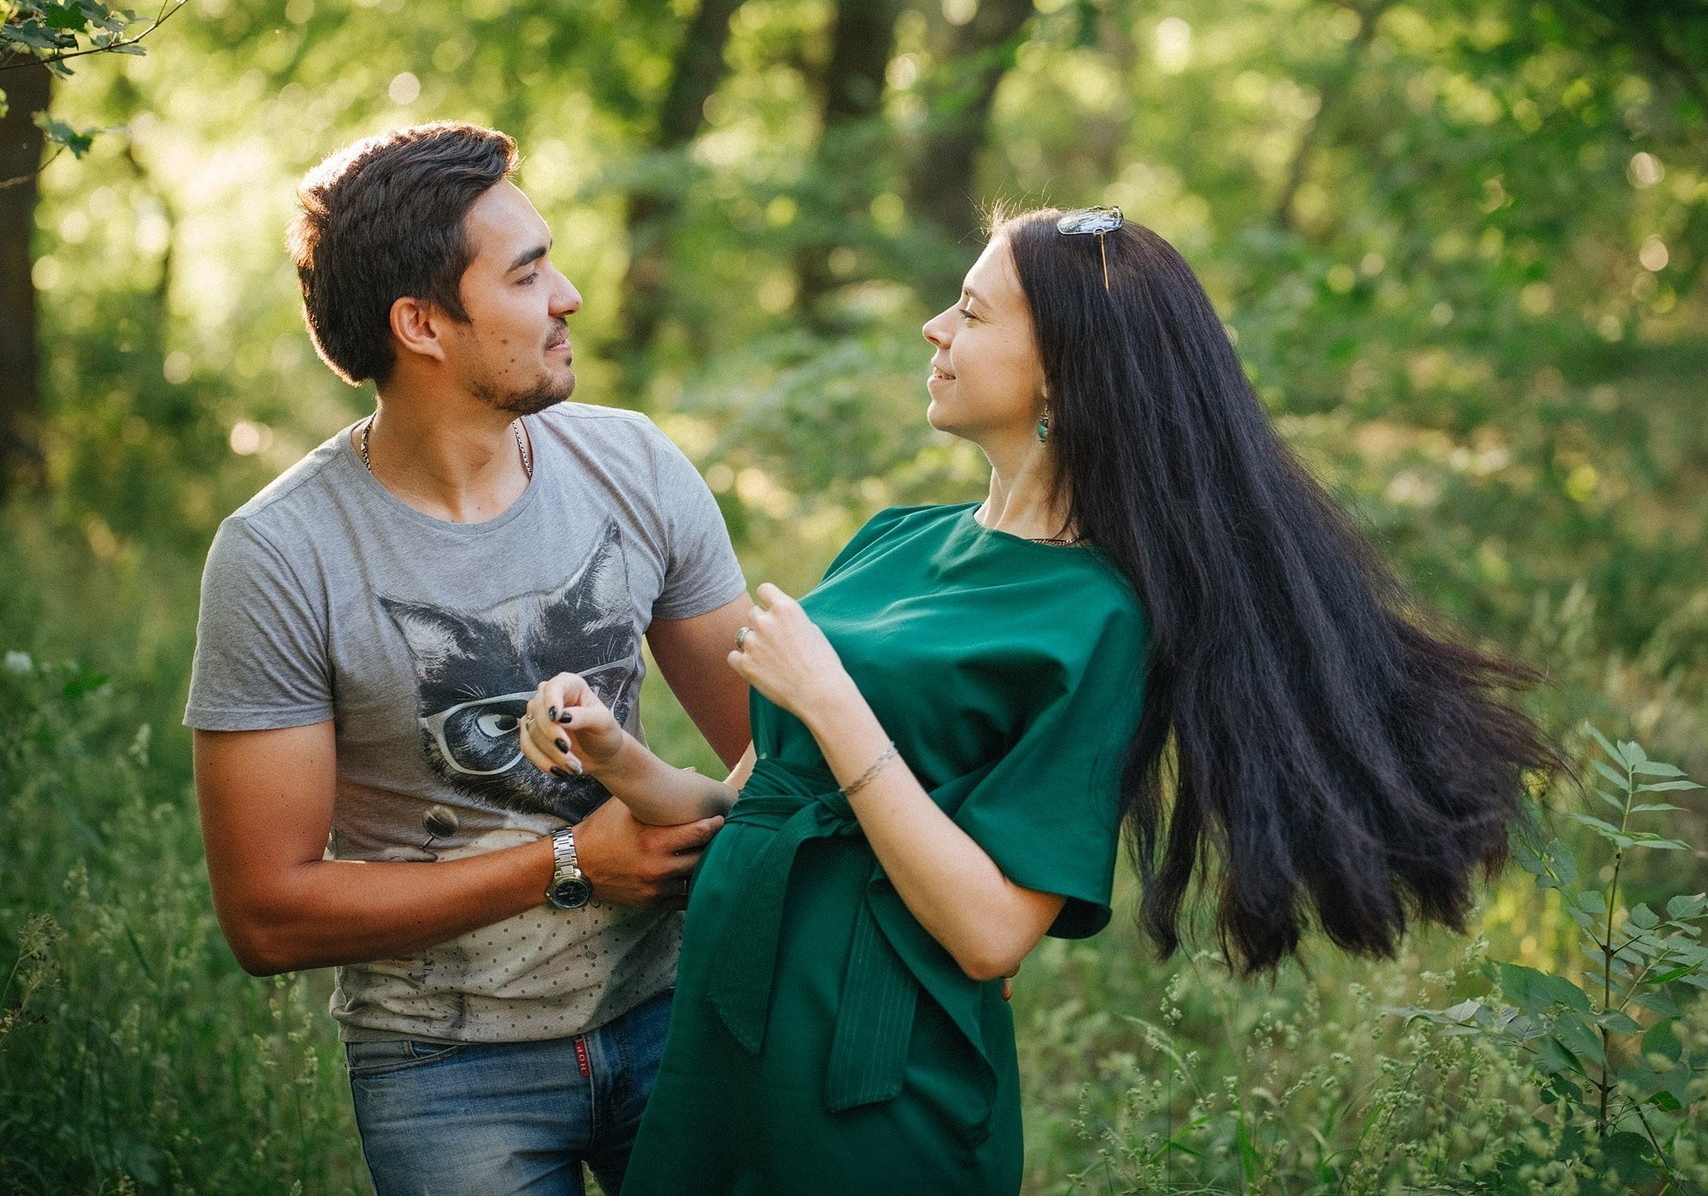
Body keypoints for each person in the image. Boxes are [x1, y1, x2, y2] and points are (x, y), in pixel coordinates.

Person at [517, 205, 1559, 1193]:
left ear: (1061, 368)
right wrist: (613, 755)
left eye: (970, 311)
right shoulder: (892, 539)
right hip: (723, 1037)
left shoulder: (1093, 616)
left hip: (866, 1072)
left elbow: (988, 932)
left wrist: (832, 703)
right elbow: (748, 809)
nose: (934, 325)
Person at [185, 121, 756, 1196]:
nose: (569, 294)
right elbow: (266, 912)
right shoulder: (281, 554)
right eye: (529, 272)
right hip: (445, 1073)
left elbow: (776, 745)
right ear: (421, 325)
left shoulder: (633, 464)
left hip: (678, 1020)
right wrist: (567, 867)